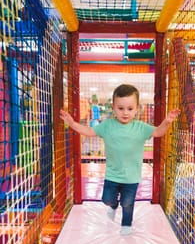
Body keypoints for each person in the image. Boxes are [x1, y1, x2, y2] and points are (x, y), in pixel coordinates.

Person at [60, 84, 180, 235]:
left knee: (128, 203)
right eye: (120, 108)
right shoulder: (108, 126)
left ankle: (126, 225)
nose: (125, 113)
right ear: (113, 107)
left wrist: (167, 121)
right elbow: (89, 131)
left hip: (132, 177)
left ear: (137, 108)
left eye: (130, 109)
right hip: (112, 174)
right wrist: (72, 123)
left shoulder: (141, 127)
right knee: (107, 199)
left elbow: (158, 132)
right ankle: (113, 205)